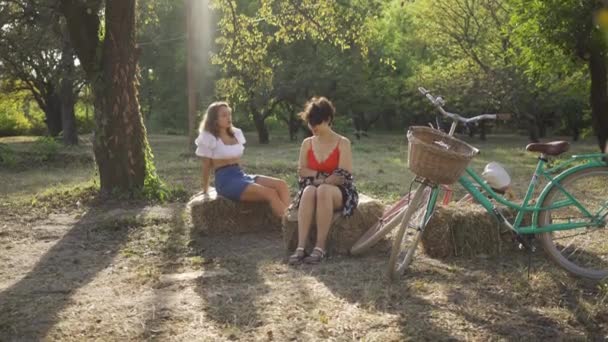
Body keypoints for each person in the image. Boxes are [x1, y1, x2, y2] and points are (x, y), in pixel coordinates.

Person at [288, 97, 358, 265]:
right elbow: (302, 173)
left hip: (340, 192)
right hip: (313, 189)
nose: (313, 127)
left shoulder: (343, 143)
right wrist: (326, 178)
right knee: (309, 191)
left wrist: (316, 177)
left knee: (322, 190)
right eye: (310, 123)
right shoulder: (307, 143)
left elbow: (343, 177)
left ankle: (320, 247)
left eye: (317, 123)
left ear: (327, 119)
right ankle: (301, 247)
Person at [195, 101, 289, 217]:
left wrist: (243, 179)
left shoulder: (236, 133)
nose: (228, 117)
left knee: (281, 185)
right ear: (214, 120)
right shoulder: (209, 138)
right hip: (226, 181)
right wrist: (205, 190)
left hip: (240, 175)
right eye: (224, 115)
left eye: (229, 114)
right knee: (270, 193)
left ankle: (289, 220)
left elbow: (237, 162)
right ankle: (290, 223)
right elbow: (206, 166)